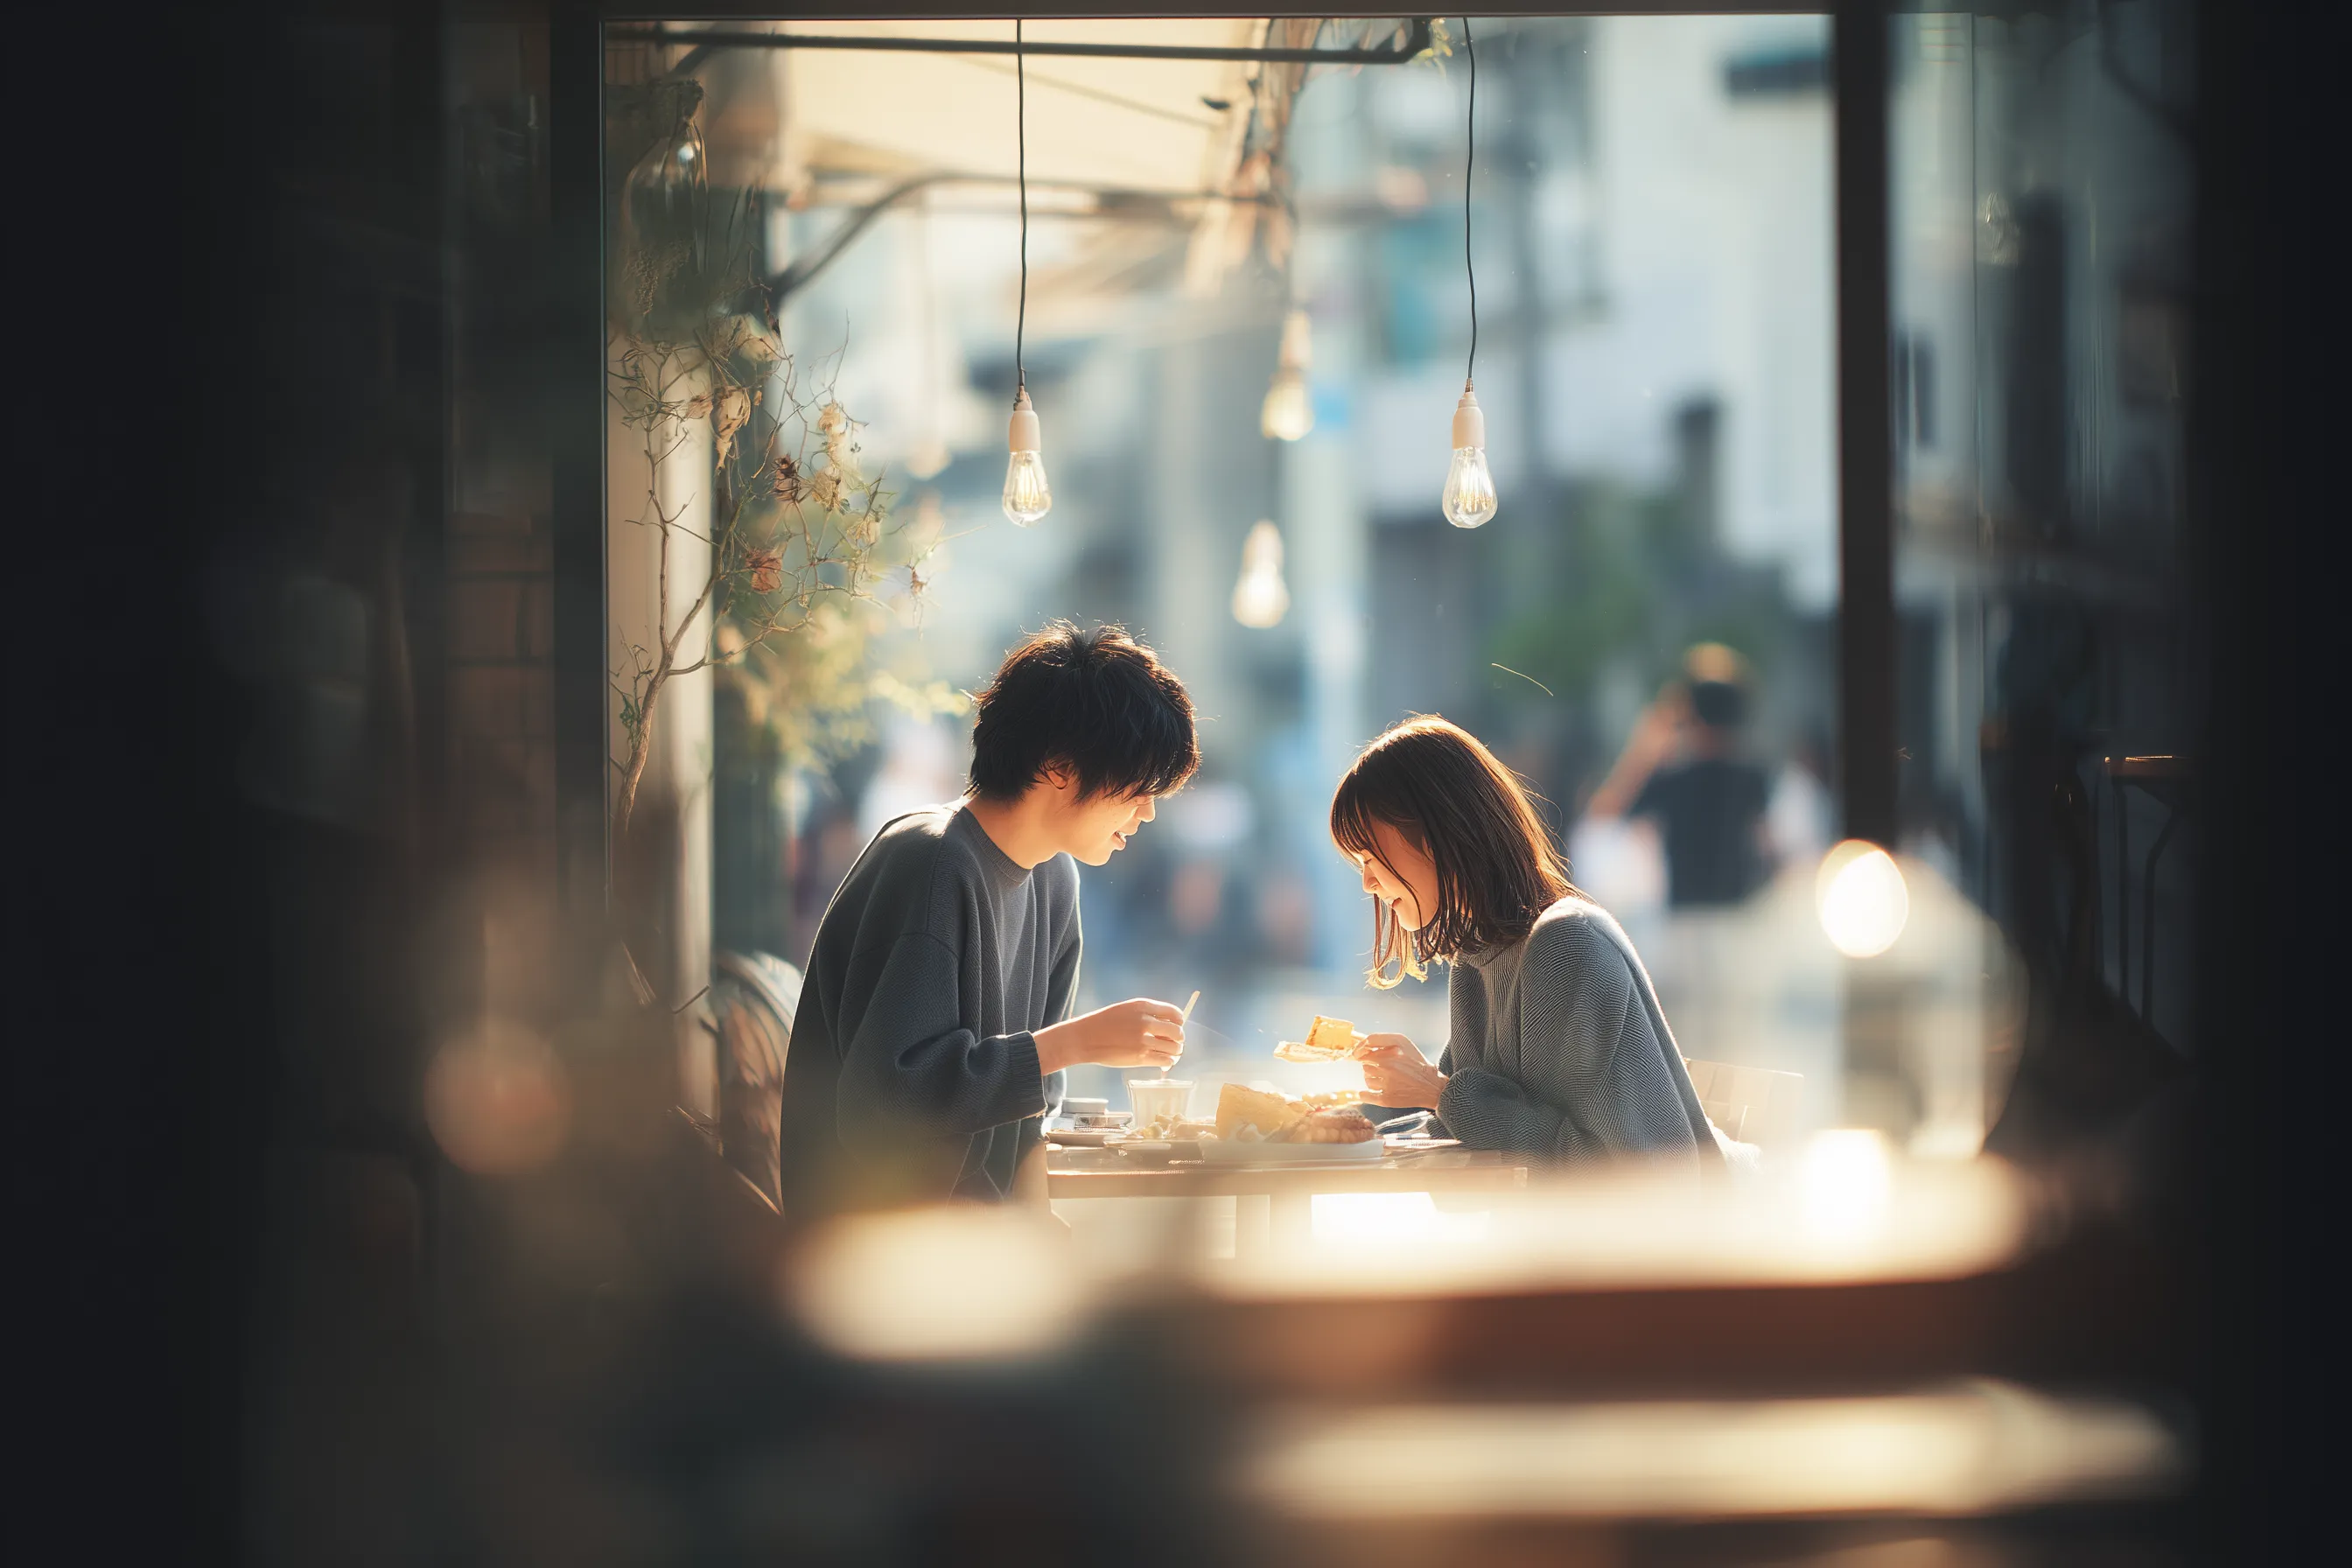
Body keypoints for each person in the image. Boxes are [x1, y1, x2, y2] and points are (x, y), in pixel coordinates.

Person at [774, 622, 1200, 1217]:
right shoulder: (930, 861)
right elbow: (883, 1105)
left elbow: (1026, 1111)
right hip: (875, 1249)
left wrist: (1040, 1228)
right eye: (1138, 787)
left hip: (977, 1240)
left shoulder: (1055, 878)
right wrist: (1074, 1043)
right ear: (1059, 766)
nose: (1149, 811)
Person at [1334, 716, 1721, 1171]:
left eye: (1369, 853)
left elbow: (1635, 1173)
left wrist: (1436, 1091)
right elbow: (1467, 1147)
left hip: (1680, 1236)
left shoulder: (1566, 945)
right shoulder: (1477, 962)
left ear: (1437, 832)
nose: (1368, 882)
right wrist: (1362, 1118)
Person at [1585, 644, 1774, 910]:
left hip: (1684, 922)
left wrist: (1648, 741)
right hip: (1740, 916)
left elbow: (1604, 815)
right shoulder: (1751, 777)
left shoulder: (1675, 780)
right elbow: (1769, 851)